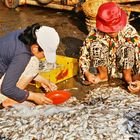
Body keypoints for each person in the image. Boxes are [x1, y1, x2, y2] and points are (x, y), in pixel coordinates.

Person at [79, 2, 140, 94]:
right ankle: (103, 76)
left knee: (128, 47)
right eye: (108, 28)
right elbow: (84, 53)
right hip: (107, 70)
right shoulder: (95, 33)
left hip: (129, 71)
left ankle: (128, 78)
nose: (112, 31)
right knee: (96, 45)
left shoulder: (130, 32)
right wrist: (86, 72)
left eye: (114, 27)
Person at [0, 23, 60, 108]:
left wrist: (43, 80)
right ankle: (10, 101)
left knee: (32, 60)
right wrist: (33, 96)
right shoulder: (22, 56)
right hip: (5, 89)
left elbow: (17, 65)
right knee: (34, 62)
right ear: (35, 48)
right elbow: (7, 89)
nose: (45, 57)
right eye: (44, 54)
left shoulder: (23, 35)